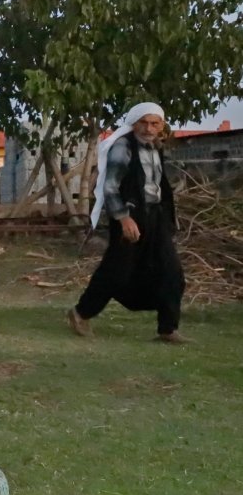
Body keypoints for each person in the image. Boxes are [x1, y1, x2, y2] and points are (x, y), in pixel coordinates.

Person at [67, 102, 187, 344]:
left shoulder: (155, 148)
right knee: (116, 271)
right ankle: (81, 313)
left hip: (155, 217)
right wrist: (123, 219)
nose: (149, 128)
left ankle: (167, 329)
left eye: (154, 123)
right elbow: (111, 187)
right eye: (144, 123)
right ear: (134, 123)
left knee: (172, 271)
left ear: (161, 126)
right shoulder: (123, 147)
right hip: (129, 217)